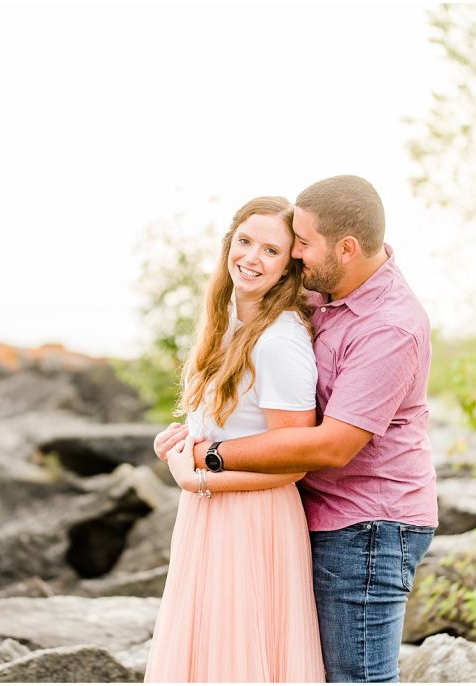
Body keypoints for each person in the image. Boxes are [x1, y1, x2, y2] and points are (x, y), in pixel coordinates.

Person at [172, 175, 438, 683]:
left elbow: (335, 445)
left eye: (303, 243)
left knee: (356, 679)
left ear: (347, 247)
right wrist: (189, 435)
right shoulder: (326, 294)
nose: (295, 254)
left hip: (369, 525)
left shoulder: (390, 325)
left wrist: (211, 457)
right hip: (318, 512)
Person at [143, 196, 325, 683]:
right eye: (245, 242)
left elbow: (294, 461)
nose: (251, 258)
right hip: (209, 515)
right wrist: (183, 441)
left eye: (270, 250)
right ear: (229, 244)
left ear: (289, 265)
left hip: (252, 521)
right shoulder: (224, 325)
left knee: (240, 663)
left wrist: (200, 481)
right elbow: (232, 426)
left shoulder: (280, 340)